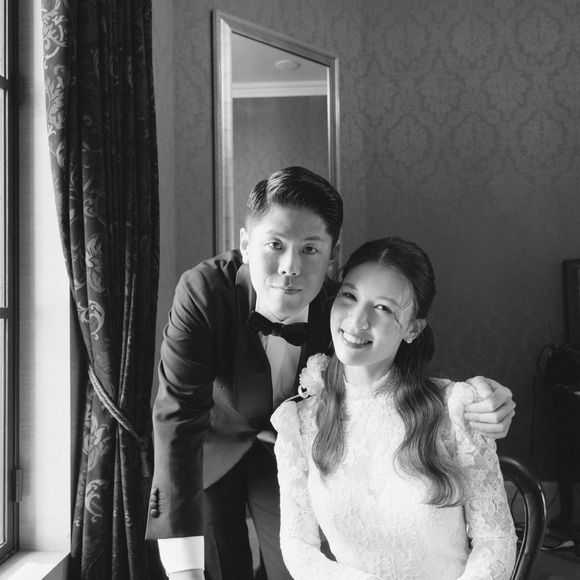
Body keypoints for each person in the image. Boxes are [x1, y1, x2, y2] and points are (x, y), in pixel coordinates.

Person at [145, 167, 516, 580]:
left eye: (309, 249)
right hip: (213, 447)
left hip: (292, 450)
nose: (290, 267)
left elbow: (392, 370)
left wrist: (482, 398)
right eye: (275, 244)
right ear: (246, 243)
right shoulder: (203, 291)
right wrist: (183, 570)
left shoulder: (343, 309)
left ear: (332, 255)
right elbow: (177, 416)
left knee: (293, 568)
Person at [271, 236, 517, 580]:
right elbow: (298, 546)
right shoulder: (299, 422)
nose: (357, 320)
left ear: (413, 329)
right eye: (349, 296)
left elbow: (495, 538)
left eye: (384, 308)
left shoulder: (455, 408)